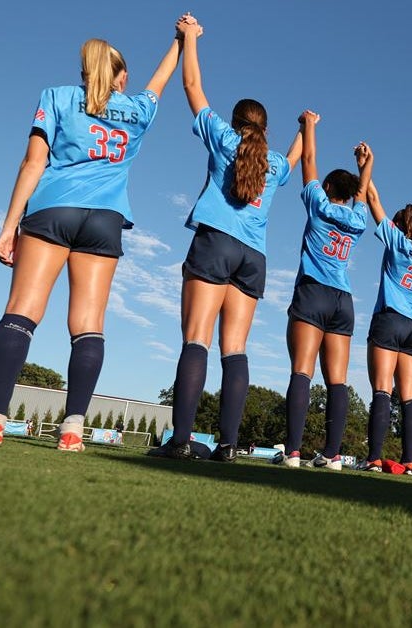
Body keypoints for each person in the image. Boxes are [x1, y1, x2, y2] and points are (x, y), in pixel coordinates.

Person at [0, 21, 184, 451]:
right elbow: (163, 78)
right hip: (105, 220)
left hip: (53, 209)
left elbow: (32, 163)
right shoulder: (138, 110)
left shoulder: (58, 96)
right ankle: (72, 429)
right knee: (88, 325)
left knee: (22, 311)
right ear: (121, 76)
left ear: (85, 71)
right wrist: (182, 40)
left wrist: (9, 226)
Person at [148, 17, 302, 460]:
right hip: (253, 257)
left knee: (196, 338)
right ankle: (230, 446)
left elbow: (192, 85)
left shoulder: (221, 137)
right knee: (234, 349)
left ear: (236, 122)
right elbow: (295, 157)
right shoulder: (274, 165)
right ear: (266, 130)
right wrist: (305, 128)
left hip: (216, 242)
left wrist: (190, 38)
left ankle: (180, 442)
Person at [277, 128, 372, 469]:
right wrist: (365, 165)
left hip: (313, 290)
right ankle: (333, 455)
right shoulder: (358, 219)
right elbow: (363, 196)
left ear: (329, 188)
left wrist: (309, 125)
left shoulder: (318, 205)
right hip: (343, 299)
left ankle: (292, 451)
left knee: (302, 371)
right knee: (338, 380)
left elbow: (309, 159)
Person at [356, 179, 412, 474]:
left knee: (381, 390)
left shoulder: (396, 240)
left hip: (390, 318)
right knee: (409, 396)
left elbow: (373, 199)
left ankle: (375, 458)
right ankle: (410, 461)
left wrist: (365, 168)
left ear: (400, 224)